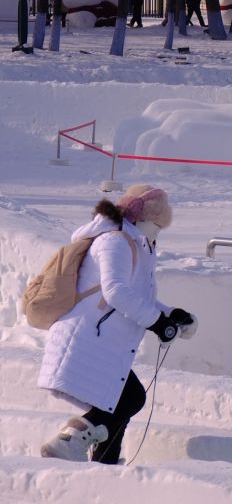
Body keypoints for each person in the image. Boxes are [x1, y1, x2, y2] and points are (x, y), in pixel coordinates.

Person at [36, 186, 196, 463]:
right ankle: (67, 441)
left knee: (118, 403)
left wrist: (171, 314)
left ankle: (105, 464)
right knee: (129, 398)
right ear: (142, 219)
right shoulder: (115, 242)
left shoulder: (134, 244)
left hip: (103, 340)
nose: (158, 233)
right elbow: (116, 291)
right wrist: (158, 323)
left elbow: (138, 295)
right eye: (157, 225)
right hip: (86, 337)